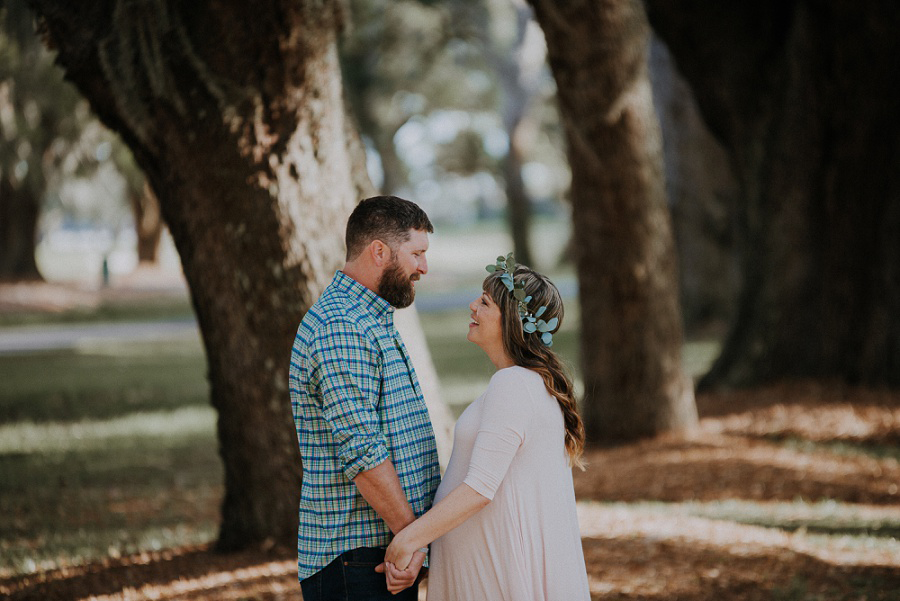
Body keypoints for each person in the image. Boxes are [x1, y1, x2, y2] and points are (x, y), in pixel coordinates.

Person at [383, 253, 591, 600]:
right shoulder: (526, 384)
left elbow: (480, 487)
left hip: (494, 571)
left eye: (484, 302)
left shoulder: (513, 385)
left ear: (511, 320)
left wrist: (408, 539)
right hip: (483, 561)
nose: (472, 306)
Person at [289, 195, 441, 600]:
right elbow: (364, 453)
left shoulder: (369, 319)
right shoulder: (342, 326)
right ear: (379, 251)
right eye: (417, 254)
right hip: (356, 562)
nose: (423, 267)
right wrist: (412, 540)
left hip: (380, 551)